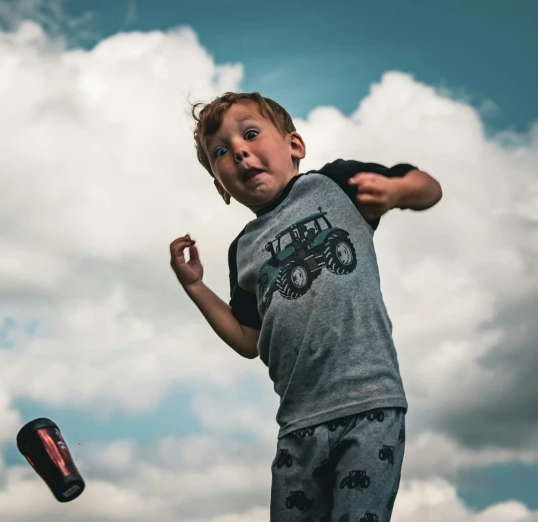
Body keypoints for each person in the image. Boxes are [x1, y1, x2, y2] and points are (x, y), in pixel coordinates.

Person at [169, 92, 442, 520]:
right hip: (297, 424)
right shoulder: (243, 249)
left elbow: (429, 188)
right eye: (221, 152)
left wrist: (396, 190)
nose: (238, 150)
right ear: (221, 187)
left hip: (369, 403)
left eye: (251, 134)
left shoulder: (333, 185)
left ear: (294, 145)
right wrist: (196, 287)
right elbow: (247, 339)